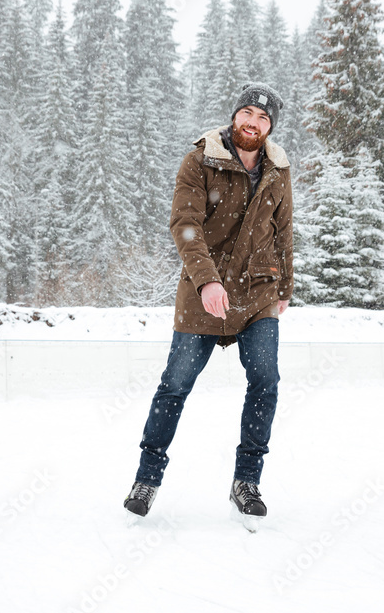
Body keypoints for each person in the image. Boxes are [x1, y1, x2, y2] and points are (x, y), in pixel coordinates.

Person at [123, 83, 293, 524]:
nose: (253, 123)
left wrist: (285, 287)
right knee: (175, 385)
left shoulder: (278, 170)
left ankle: (246, 482)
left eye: (263, 117)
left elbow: (283, 230)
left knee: (266, 380)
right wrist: (206, 282)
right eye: (247, 113)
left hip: (257, 294)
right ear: (235, 116)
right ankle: (147, 479)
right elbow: (185, 225)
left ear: (270, 127)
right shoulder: (200, 159)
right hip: (203, 296)